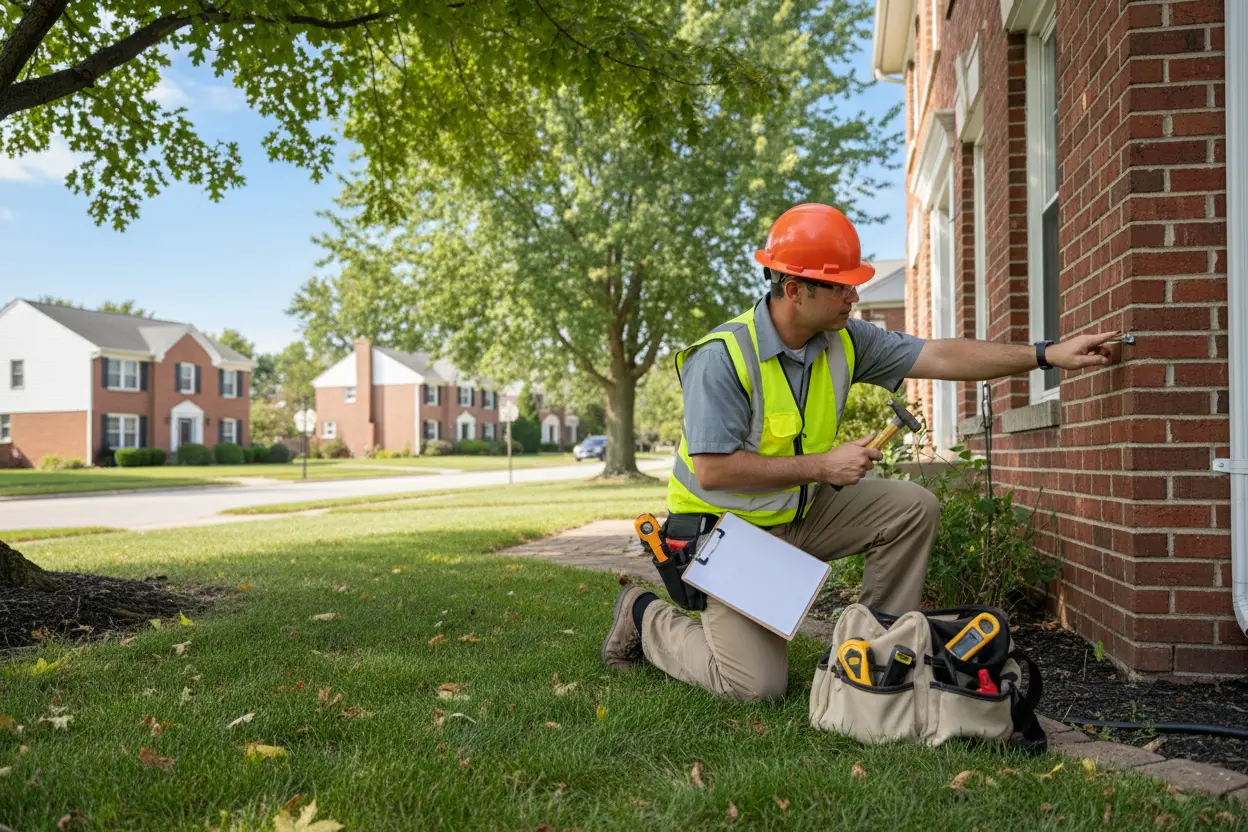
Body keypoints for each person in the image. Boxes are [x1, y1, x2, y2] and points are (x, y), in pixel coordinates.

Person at [601, 202, 1120, 702]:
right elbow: (714, 471)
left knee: (911, 506)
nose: (855, 295)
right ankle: (643, 615)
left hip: (798, 514)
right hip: (727, 536)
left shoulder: (843, 339)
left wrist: (1046, 354)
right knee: (754, 686)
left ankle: (868, 658)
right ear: (795, 289)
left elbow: (937, 354)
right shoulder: (722, 358)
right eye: (842, 285)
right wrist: (824, 466)